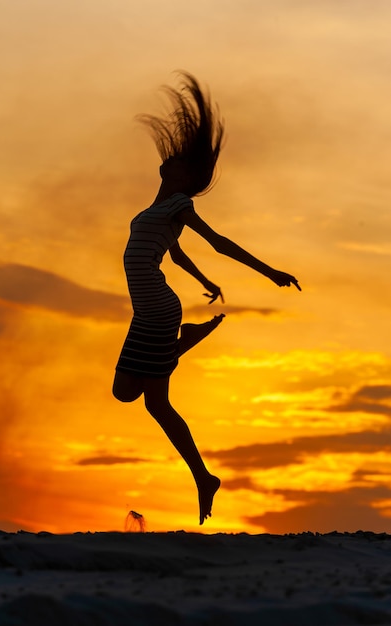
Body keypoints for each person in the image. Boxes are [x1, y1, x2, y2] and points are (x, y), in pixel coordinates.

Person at [113, 72, 301, 525]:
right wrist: (207, 281)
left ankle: (188, 343)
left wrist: (269, 271)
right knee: (138, 397)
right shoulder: (155, 210)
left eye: (182, 164)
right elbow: (175, 253)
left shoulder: (179, 204)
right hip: (152, 308)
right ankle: (203, 476)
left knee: (139, 397)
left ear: (186, 178)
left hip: (157, 307)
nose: (174, 162)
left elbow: (218, 242)